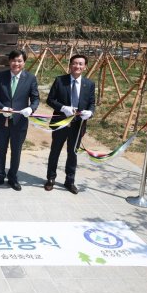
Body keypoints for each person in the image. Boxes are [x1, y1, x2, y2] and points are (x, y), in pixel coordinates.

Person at [45, 54, 95, 194]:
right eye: (74, 63)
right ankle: (50, 178)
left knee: (72, 153)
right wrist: (63, 108)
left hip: (77, 125)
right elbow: (50, 100)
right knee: (55, 151)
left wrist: (90, 112)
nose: (77, 66)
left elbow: (92, 103)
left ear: (85, 67)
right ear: (70, 65)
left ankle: (70, 181)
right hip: (60, 122)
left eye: (80, 64)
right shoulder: (60, 81)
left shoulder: (89, 84)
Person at [0, 49, 39, 191]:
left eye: (19, 61)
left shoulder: (30, 78)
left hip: (20, 121)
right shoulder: (1, 76)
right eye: (13, 60)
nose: (16, 63)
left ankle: (12, 177)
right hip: (2, 120)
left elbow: (35, 99)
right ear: (9, 61)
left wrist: (31, 109)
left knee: (16, 150)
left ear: (24, 63)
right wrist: (2, 107)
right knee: (1, 149)